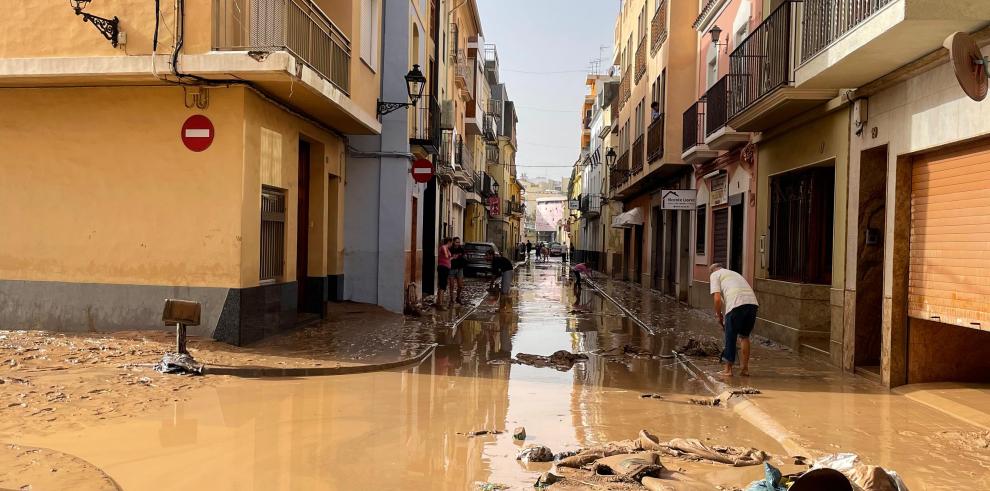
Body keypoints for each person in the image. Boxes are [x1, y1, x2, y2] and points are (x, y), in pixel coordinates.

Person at [709, 263, 759, 377]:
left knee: (730, 337)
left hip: (736, 304)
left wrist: (718, 315)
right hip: (752, 304)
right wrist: (722, 315)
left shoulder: (714, 275)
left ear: (712, 271)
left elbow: (717, 299)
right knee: (744, 336)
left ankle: (728, 370)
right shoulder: (734, 273)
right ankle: (745, 369)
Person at [435, 237, 453, 310]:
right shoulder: (444, 247)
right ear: (449, 242)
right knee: (442, 285)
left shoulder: (446, 248)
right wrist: (449, 256)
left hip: (445, 268)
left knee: (442, 285)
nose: (451, 244)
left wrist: (453, 257)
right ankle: (440, 304)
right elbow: (446, 256)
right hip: (443, 268)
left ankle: (439, 301)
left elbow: (447, 258)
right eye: (451, 242)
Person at [449, 237, 466, 305]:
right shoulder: (450, 249)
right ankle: (451, 299)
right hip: (452, 268)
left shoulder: (461, 249)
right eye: (456, 242)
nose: (458, 244)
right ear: (453, 242)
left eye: (459, 242)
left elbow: (463, 257)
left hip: (459, 269)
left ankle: (458, 297)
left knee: (460, 285)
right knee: (452, 285)